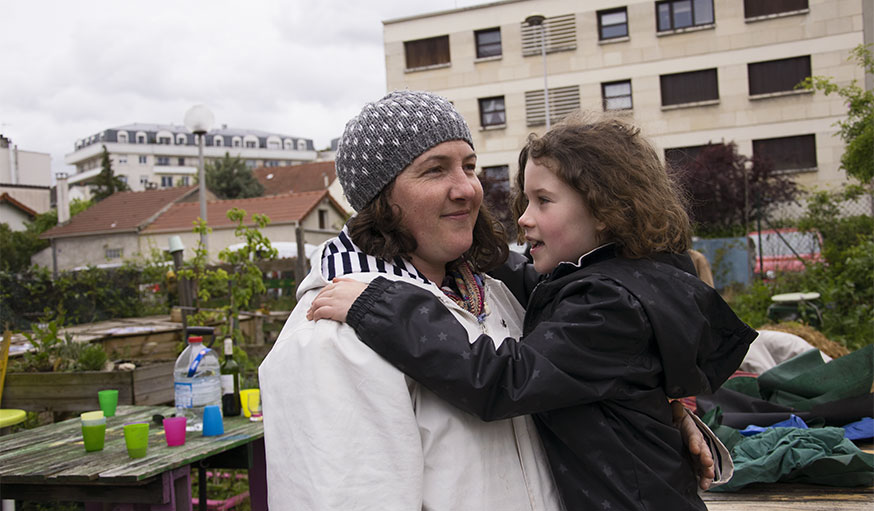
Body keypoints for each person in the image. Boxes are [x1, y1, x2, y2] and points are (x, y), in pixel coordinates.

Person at [307, 113, 757, 510]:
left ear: (605, 211)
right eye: (435, 170)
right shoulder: (615, 278)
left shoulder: (608, 305)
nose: (522, 217)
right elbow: (529, 283)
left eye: (542, 201)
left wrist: (383, 308)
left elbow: (505, 380)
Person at [259, 90, 562, 510]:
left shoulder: (497, 294)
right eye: (435, 170)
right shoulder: (333, 338)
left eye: (469, 167)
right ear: (380, 200)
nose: (467, 189)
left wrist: (671, 410)